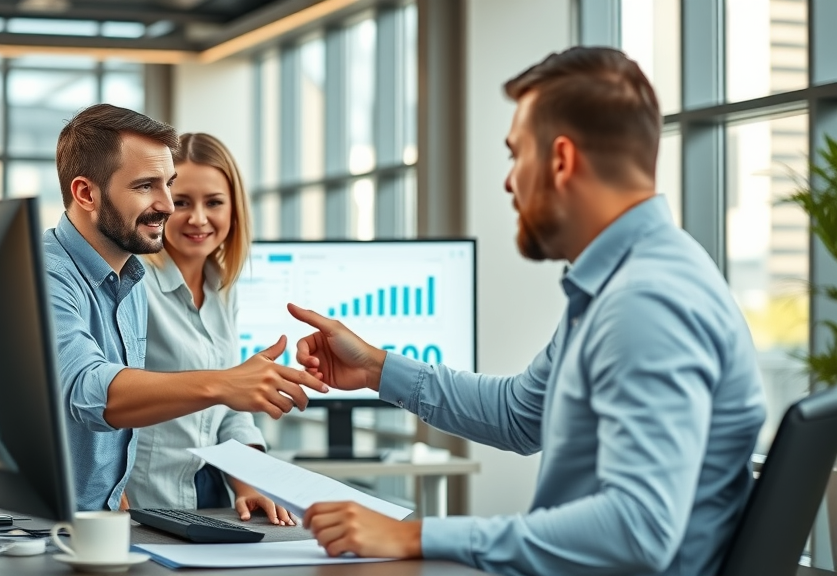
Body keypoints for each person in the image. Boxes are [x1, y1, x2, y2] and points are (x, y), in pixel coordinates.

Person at [290, 47, 766, 576]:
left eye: (516, 155)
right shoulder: (624, 282)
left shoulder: (645, 302)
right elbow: (520, 416)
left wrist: (416, 536)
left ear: (561, 161)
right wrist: (376, 369)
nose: (509, 181)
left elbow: (639, 529)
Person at [43, 104, 328, 511]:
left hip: (148, 510)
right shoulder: (55, 273)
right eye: (147, 186)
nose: (170, 207)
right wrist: (224, 383)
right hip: (118, 511)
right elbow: (88, 391)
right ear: (86, 194)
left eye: (168, 185)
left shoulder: (130, 276)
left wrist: (250, 481)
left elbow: (225, 409)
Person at [126, 133, 294, 525]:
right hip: (144, 502)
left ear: (234, 210)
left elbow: (229, 409)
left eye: (214, 202)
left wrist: (250, 486)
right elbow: (104, 403)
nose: (198, 218)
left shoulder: (221, 288)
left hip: (210, 496)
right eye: (182, 202)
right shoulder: (133, 283)